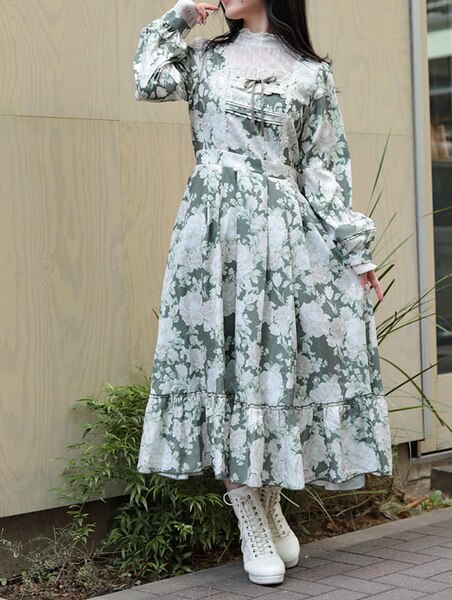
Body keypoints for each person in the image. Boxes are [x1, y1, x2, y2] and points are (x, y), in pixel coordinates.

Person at [133, 0, 393, 586]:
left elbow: (323, 168)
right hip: (214, 237)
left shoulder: (311, 73)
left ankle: (269, 503)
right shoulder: (205, 60)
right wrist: (179, 17)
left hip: (286, 234)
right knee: (228, 367)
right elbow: (149, 81)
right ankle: (248, 516)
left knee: (275, 368)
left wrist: (355, 251)